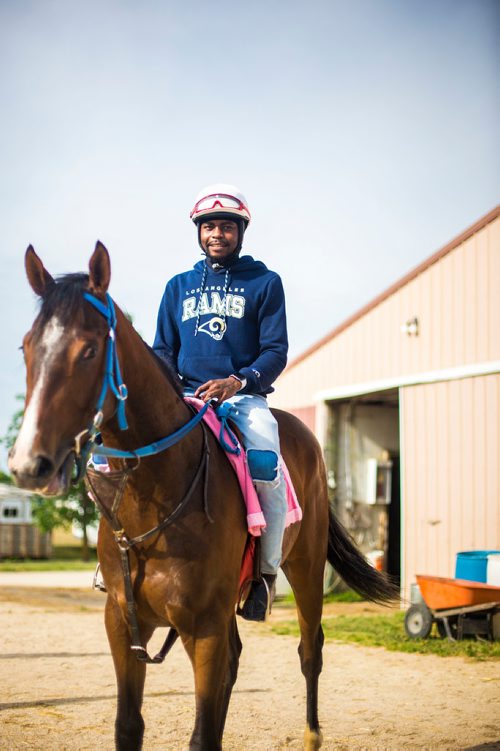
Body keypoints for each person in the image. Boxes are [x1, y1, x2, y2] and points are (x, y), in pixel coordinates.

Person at [153, 183, 288, 621]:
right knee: (127, 456)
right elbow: (162, 350)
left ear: (241, 231)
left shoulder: (265, 283)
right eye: (209, 226)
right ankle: (116, 558)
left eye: (226, 226)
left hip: (244, 398)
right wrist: (171, 389)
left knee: (266, 460)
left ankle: (266, 577)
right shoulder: (178, 287)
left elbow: (275, 352)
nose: (217, 233)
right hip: (188, 398)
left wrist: (238, 381)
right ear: (198, 231)